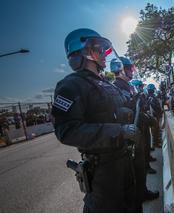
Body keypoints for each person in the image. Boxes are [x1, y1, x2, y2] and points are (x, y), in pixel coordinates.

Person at [51, 28, 140, 213]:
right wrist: (118, 131)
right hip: (102, 169)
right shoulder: (70, 85)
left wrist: (124, 113)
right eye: (99, 50)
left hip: (123, 160)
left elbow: (110, 112)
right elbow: (67, 130)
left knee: (132, 206)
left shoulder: (105, 83)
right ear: (85, 52)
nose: (104, 55)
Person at [111, 58, 159, 209]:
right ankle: (138, 197)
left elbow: (139, 110)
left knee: (140, 169)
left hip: (138, 134)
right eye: (130, 69)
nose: (132, 71)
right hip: (127, 139)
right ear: (122, 69)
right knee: (133, 178)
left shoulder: (129, 87)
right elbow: (122, 113)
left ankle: (143, 192)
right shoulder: (115, 88)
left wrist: (142, 101)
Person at [146, 84, 162, 148]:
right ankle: (156, 143)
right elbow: (155, 107)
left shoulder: (148, 97)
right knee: (155, 130)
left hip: (152, 116)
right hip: (154, 116)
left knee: (154, 130)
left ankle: (155, 142)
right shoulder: (152, 98)